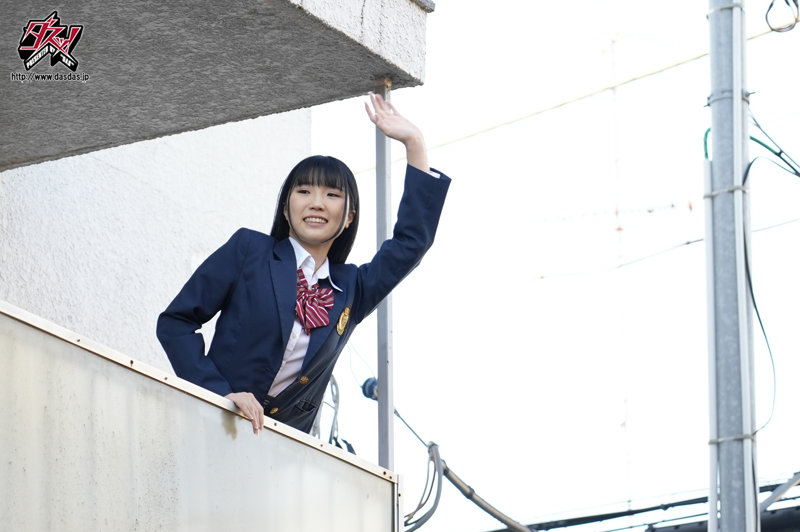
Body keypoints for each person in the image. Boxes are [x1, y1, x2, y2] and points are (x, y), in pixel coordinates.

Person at [156, 93, 450, 435]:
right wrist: (219, 394)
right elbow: (176, 322)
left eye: (332, 195)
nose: (317, 203)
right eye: (304, 192)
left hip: (283, 452)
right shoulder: (250, 250)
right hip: (214, 428)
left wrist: (415, 143)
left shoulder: (352, 289)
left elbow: (410, 244)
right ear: (286, 208)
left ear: (349, 217)